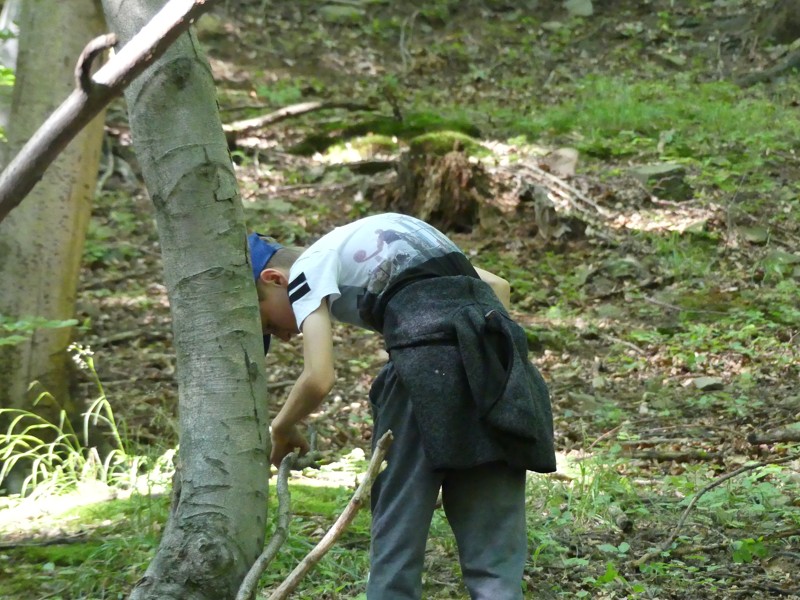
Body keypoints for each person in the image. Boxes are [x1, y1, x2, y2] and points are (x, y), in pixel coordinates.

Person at [248, 212, 556, 600]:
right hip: (496, 365)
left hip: (422, 374)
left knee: (399, 536)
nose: (284, 336)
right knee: (494, 554)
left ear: (274, 280)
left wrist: (281, 427)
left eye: (268, 324)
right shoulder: (368, 237)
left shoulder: (308, 267)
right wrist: (476, 361)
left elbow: (319, 377)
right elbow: (498, 286)